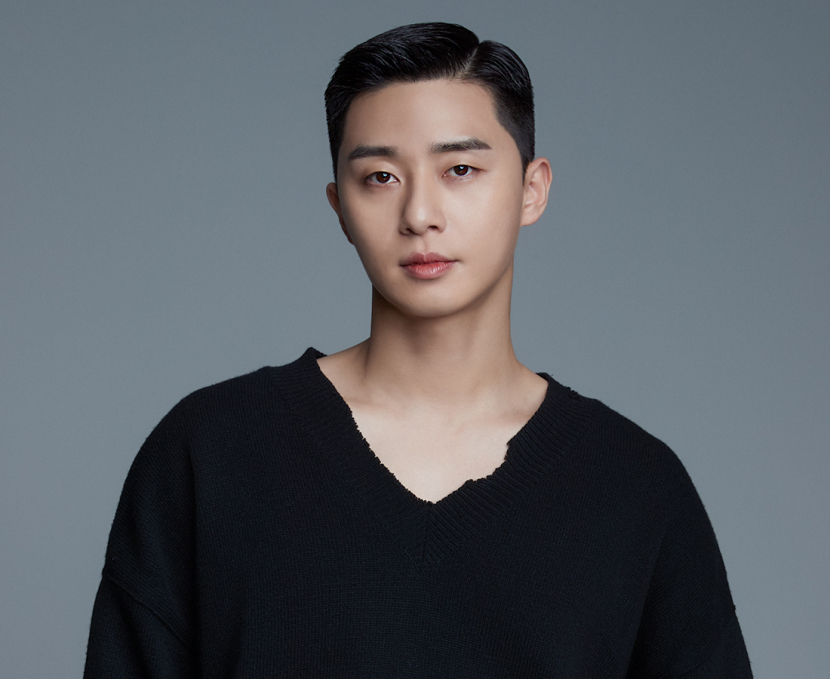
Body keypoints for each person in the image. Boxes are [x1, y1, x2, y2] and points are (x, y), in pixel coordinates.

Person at [84, 22, 752, 678]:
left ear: (532, 190)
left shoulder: (635, 487)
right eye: (380, 177)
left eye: (460, 169)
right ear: (339, 207)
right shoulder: (211, 453)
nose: (419, 214)